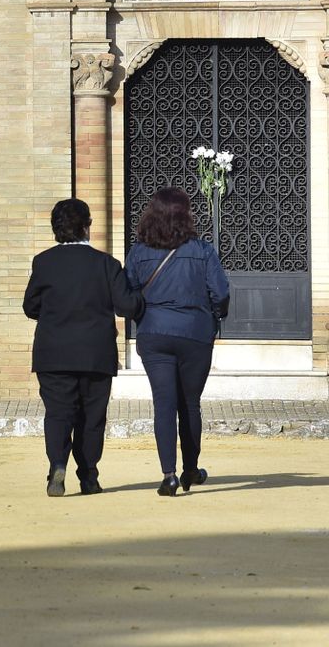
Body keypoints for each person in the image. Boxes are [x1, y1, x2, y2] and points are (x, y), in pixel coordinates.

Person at [23, 199, 144, 497]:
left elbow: (30, 306)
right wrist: (142, 295)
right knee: (92, 417)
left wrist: (54, 314)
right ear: (87, 227)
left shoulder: (44, 262)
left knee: (58, 413)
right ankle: (89, 475)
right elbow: (126, 306)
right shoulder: (107, 264)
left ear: (56, 228)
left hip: (53, 352)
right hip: (95, 352)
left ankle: (57, 465)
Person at [125, 187, 229, 497]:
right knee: (190, 404)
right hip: (195, 333)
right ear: (186, 215)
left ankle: (168, 475)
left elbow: (128, 293)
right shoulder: (202, 250)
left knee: (164, 404)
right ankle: (190, 470)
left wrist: (144, 316)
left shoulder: (138, 251)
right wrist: (214, 317)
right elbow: (220, 293)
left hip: (154, 334)